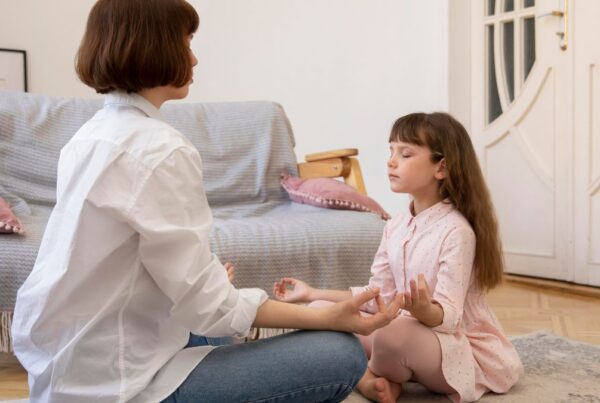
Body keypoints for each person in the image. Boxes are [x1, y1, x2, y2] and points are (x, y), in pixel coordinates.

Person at [11, 1, 403, 402]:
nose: (194, 58)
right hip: (119, 384)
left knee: (215, 324)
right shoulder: (159, 148)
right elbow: (210, 309)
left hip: (68, 366)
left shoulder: (89, 136)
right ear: (157, 46)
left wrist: (208, 288)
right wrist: (325, 317)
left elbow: (132, 263)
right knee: (339, 353)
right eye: (187, 42)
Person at [274, 112, 524, 403]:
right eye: (391, 151)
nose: (391, 161)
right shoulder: (395, 225)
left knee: (391, 335)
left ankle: (364, 373)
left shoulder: (457, 232)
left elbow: (450, 318)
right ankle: (372, 380)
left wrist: (423, 311)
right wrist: (312, 292)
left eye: (405, 154)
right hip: (402, 339)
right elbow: (376, 296)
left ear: (441, 167)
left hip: (452, 347)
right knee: (318, 312)